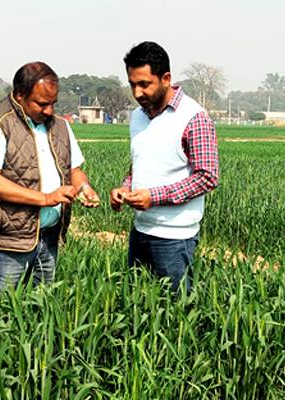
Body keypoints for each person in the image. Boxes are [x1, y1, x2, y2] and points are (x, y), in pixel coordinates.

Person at [0, 61, 100, 296]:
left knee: (42, 308)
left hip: (49, 236)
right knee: (1, 311)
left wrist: (84, 187)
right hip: (10, 239)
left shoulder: (61, 126)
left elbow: (74, 170)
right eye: (41, 103)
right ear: (19, 95)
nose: (49, 110)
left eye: (53, 103)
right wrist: (47, 198)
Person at [110, 42, 219, 293]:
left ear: (166, 78)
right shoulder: (138, 116)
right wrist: (125, 188)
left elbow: (207, 177)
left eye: (144, 84)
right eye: (132, 84)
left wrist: (153, 196)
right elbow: (140, 163)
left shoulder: (193, 117)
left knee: (174, 316)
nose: (137, 93)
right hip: (140, 230)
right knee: (136, 307)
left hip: (174, 238)